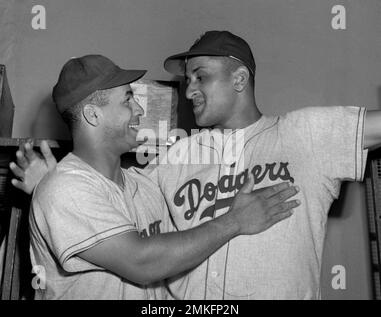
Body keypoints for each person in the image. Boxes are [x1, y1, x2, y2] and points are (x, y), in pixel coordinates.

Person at [12, 30, 381, 299]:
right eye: (187, 80)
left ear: (240, 78)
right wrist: (48, 187)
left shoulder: (305, 134)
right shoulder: (175, 158)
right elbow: (107, 207)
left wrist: (48, 186)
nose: (188, 91)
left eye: (200, 76)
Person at [20, 54, 299, 300]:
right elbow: (142, 263)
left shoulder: (144, 185)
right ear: (93, 115)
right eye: (128, 100)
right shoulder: (65, 189)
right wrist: (236, 221)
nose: (140, 110)